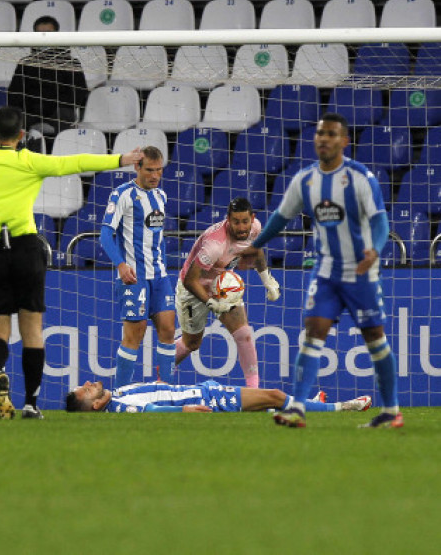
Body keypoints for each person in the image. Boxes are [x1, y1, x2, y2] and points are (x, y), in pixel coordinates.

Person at [0, 106, 144, 420]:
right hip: (26, 250)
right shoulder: (30, 160)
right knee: (32, 329)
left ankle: (0, 374)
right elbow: (75, 162)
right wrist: (120, 159)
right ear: (21, 136)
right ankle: (31, 403)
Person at [250, 113, 403, 429]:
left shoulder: (360, 177)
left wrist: (374, 248)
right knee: (313, 333)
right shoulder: (305, 180)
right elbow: (281, 217)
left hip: (360, 273)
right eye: (320, 134)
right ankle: (296, 407)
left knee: (374, 337)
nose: (324, 139)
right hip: (325, 273)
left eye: (332, 134)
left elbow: (379, 221)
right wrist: (257, 244)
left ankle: (390, 411)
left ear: (344, 141)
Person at [173, 198, 281, 388]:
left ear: (252, 218)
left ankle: (254, 392)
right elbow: (191, 280)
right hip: (193, 289)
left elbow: (255, 251)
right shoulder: (214, 244)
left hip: (222, 284)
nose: (241, 227)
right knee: (191, 344)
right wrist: (211, 303)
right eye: (236, 222)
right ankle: (162, 374)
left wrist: (267, 280)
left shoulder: (255, 227)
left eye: (245, 221)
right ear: (228, 220)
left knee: (244, 333)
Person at [99, 146, 177, 388]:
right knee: (135, 333)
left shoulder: (161, 196)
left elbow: (158, 237)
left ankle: (166, 390)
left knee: (167, 329)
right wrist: (121, 266)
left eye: (159, 170)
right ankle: (121, 393)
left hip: (160, 277)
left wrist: (163, 266)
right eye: (150, 170)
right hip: (134, 276)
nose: (155, 176)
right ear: (137, 167)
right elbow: (105, 234)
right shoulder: (122, 194)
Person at [7, 16, 88, 151]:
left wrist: (50, 105)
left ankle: (64, 153)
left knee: (64, 113)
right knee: (14, 116)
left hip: (59, 112)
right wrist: (33, 106)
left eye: (48, 33)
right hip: (31, 110)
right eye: (40, 34)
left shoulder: (70, 63)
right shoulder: (25, 63)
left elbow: (79, 93)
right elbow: (15, 93)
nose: (44, 38)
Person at [65, 379, 372, 415]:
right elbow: (153, 410)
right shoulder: (119, 407)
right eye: (88, 388)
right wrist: (184, 410)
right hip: (208, 397)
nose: (91, 382)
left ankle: (313, 404)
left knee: (269, 404)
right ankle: (342, 407)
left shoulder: (117, 395)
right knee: (275, 396)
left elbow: (153, 394)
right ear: (96, 403)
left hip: (204, 389)